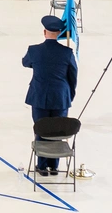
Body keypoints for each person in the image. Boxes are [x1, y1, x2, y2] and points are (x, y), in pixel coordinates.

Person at [21, 15, 78, 176]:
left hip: (39, 96)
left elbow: (25, 63)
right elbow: (73, 77)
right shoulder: (67, 53)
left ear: (44, 32)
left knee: (41, 130)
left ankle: (42, 165)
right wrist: (69, 95)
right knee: (57, 132)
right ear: (59, 33)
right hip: (61, 97)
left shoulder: (34, 50)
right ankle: (54, 166)